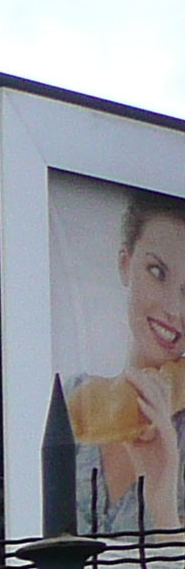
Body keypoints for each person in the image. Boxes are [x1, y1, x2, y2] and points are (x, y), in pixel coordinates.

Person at [67, 185, 185, 535]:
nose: (174, 310)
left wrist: (162, 498)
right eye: (157, 271)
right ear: (125, 264)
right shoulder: (70, 401)